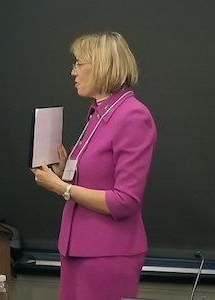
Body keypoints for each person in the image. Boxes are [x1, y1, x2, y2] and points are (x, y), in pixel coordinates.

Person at [31, 31, 157, 300]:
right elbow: (98, 175)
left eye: (78, 63)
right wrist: (66, 170)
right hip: (76, 247)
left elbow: (124, 200)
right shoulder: (99, 112)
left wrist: (62, 188)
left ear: (101, 66)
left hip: (107, 251)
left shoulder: (133, 115)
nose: (72, 72)